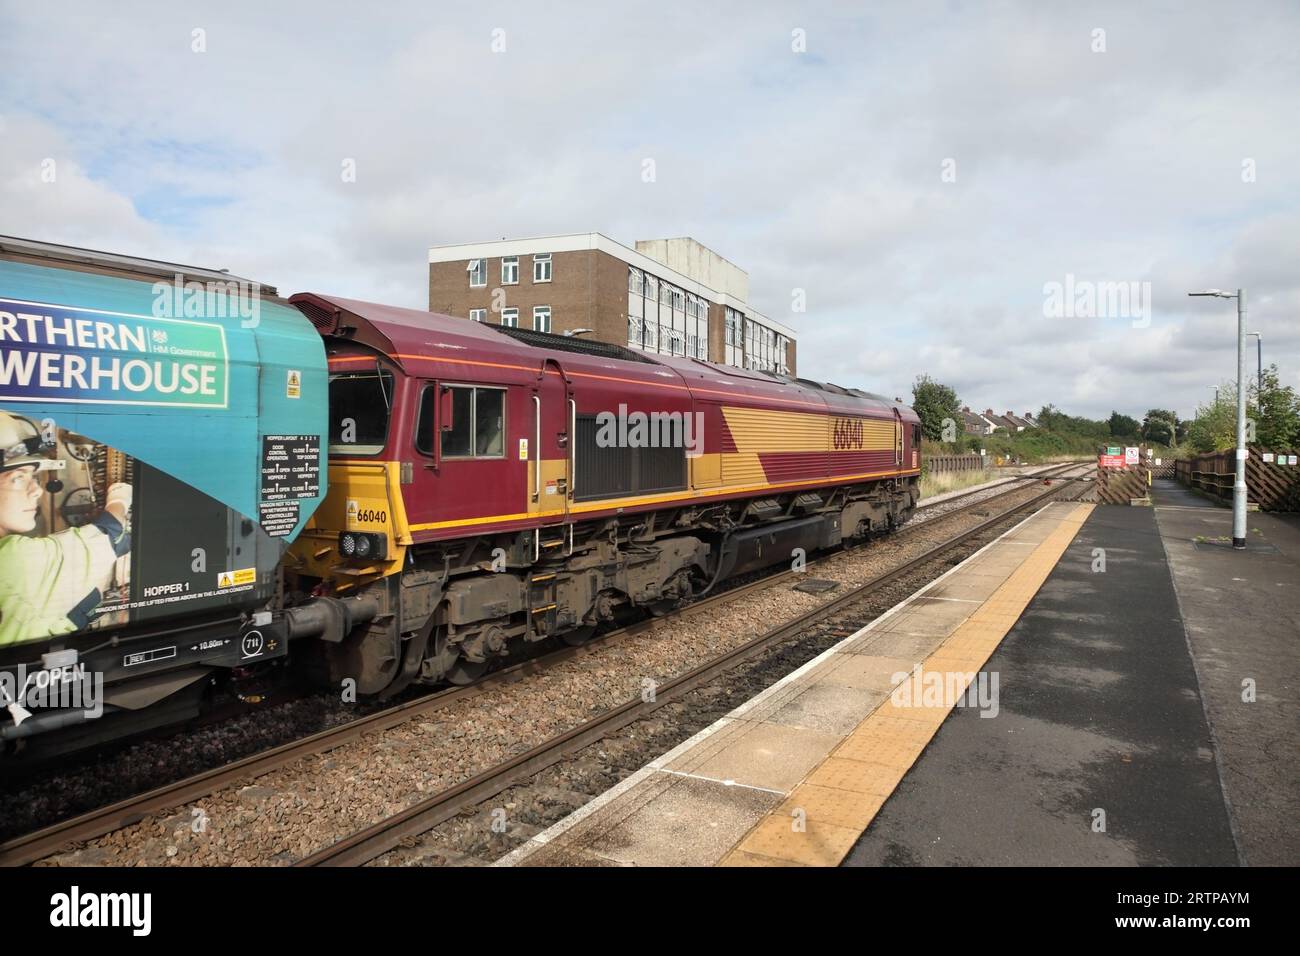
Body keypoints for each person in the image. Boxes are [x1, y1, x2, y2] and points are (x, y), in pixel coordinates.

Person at [0, 412, 132, 647]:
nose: (37, 491)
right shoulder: (13, 561)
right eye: (18, 479)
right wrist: (120, 497)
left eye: (34, 477)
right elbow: (111, 534)